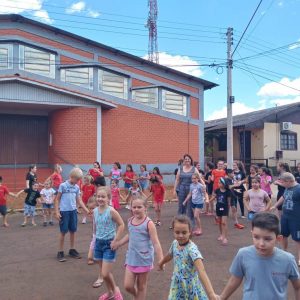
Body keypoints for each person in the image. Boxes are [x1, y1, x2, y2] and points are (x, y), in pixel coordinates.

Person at [219, 212, 300, 300]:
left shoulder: (288, 260)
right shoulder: (243, 254)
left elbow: (297, 286)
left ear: (278, 239)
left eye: (267, 239)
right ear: (252, 234)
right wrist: (222, 298)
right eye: (256, 237)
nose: (261, 244)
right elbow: (234, 280)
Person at [159, 215, 218, 300]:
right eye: (177, 232)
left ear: (190, 232)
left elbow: (201, 270)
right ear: (173, 231)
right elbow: (170, 255)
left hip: (190, 286)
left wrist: (211, 293)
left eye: (184, 232)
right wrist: (161, 263)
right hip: (177, 284)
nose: (180, 235)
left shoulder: (192, 249)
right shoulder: (175, 243)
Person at [116, 197, 164, 300]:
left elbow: (156, 243)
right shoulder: (130, 220)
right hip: (131, 258)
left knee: (141, 286)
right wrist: (119, 243)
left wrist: (161, 260)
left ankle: (139, 297)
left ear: (145, 208)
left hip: (144, 258)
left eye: (139, 207)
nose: (136, 209)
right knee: (128, 286)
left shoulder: (149, 223)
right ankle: (138, 296)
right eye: (134, 207)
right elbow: (130, 235)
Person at [93, 186, 125, 300]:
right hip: (98, 243)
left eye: (103, 196)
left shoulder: (111, 211)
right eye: (98, 196)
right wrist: (93, 242)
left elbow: (121, 224)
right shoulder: (95, 211)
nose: (100, 199)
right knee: (103, 272)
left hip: (109, 244)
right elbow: (95, 227)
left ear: (108, 198)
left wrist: (116, 240)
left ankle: (116, 291)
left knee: (105, 273)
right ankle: (110, 292)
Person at [55, 167, 90, 262]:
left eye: (79, 180)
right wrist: (57, 212)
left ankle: (72, 249)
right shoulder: (63, 186)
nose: (78, 181)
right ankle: (60, 251)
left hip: (73, 211)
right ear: (71, 177)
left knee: (73, 231)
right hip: (64, 212)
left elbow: (79, 200)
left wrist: (86, 210)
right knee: (63, 232)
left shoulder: (76, 187)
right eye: (77, 179)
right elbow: (57, 199)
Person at [271, 172, 300, 266]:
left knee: (298, 239)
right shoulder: (287, 188)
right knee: (283, 235)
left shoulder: (298, 189)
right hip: (285, 216)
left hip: (296, 219)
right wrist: (275, 205)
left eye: (282, 182)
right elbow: (283, 197)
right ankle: (284, 253)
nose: (281, 184)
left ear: (289, 181)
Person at [174, 154, 200, 220]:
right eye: (186, 159)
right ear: (184, 160)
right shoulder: (180, 169)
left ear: (191, 160)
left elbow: (199, 178)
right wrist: (174, 190)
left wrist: (203, 186)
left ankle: (190, 223)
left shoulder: (194, 169)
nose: (187, 160)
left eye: (188, 159)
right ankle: (180, 221)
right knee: (181, 205)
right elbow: (177, 179)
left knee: (190, 206)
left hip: (191, 189)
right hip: (182, 188)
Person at [211, 178, 231, 245]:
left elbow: (228, 202)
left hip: (224, 208)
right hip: (218, 208)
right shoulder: (217, 190)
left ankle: (225, 238)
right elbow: (214, 197)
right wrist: (209, 201)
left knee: (224, 223)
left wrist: (228, 210)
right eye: (218, 183)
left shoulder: (228, 192)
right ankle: (221, 235)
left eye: (220, 183)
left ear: (224, 184)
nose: (218, 184)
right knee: (219, 222)